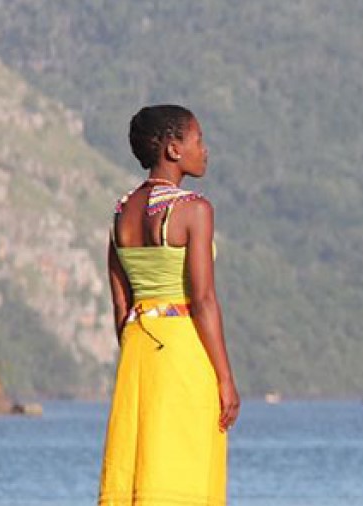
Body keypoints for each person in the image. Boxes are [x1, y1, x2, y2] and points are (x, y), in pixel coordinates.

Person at [98, 105, 238, 505]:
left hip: (139, 351)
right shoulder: (195, 209)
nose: (205, 149)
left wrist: (137, 354)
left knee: (139, 467)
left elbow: (120, 304)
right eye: (198, 140)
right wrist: (225, 378)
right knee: (182, 470)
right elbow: (204, 299)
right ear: (174, 149)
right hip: (183, 348)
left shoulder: (121, 213)